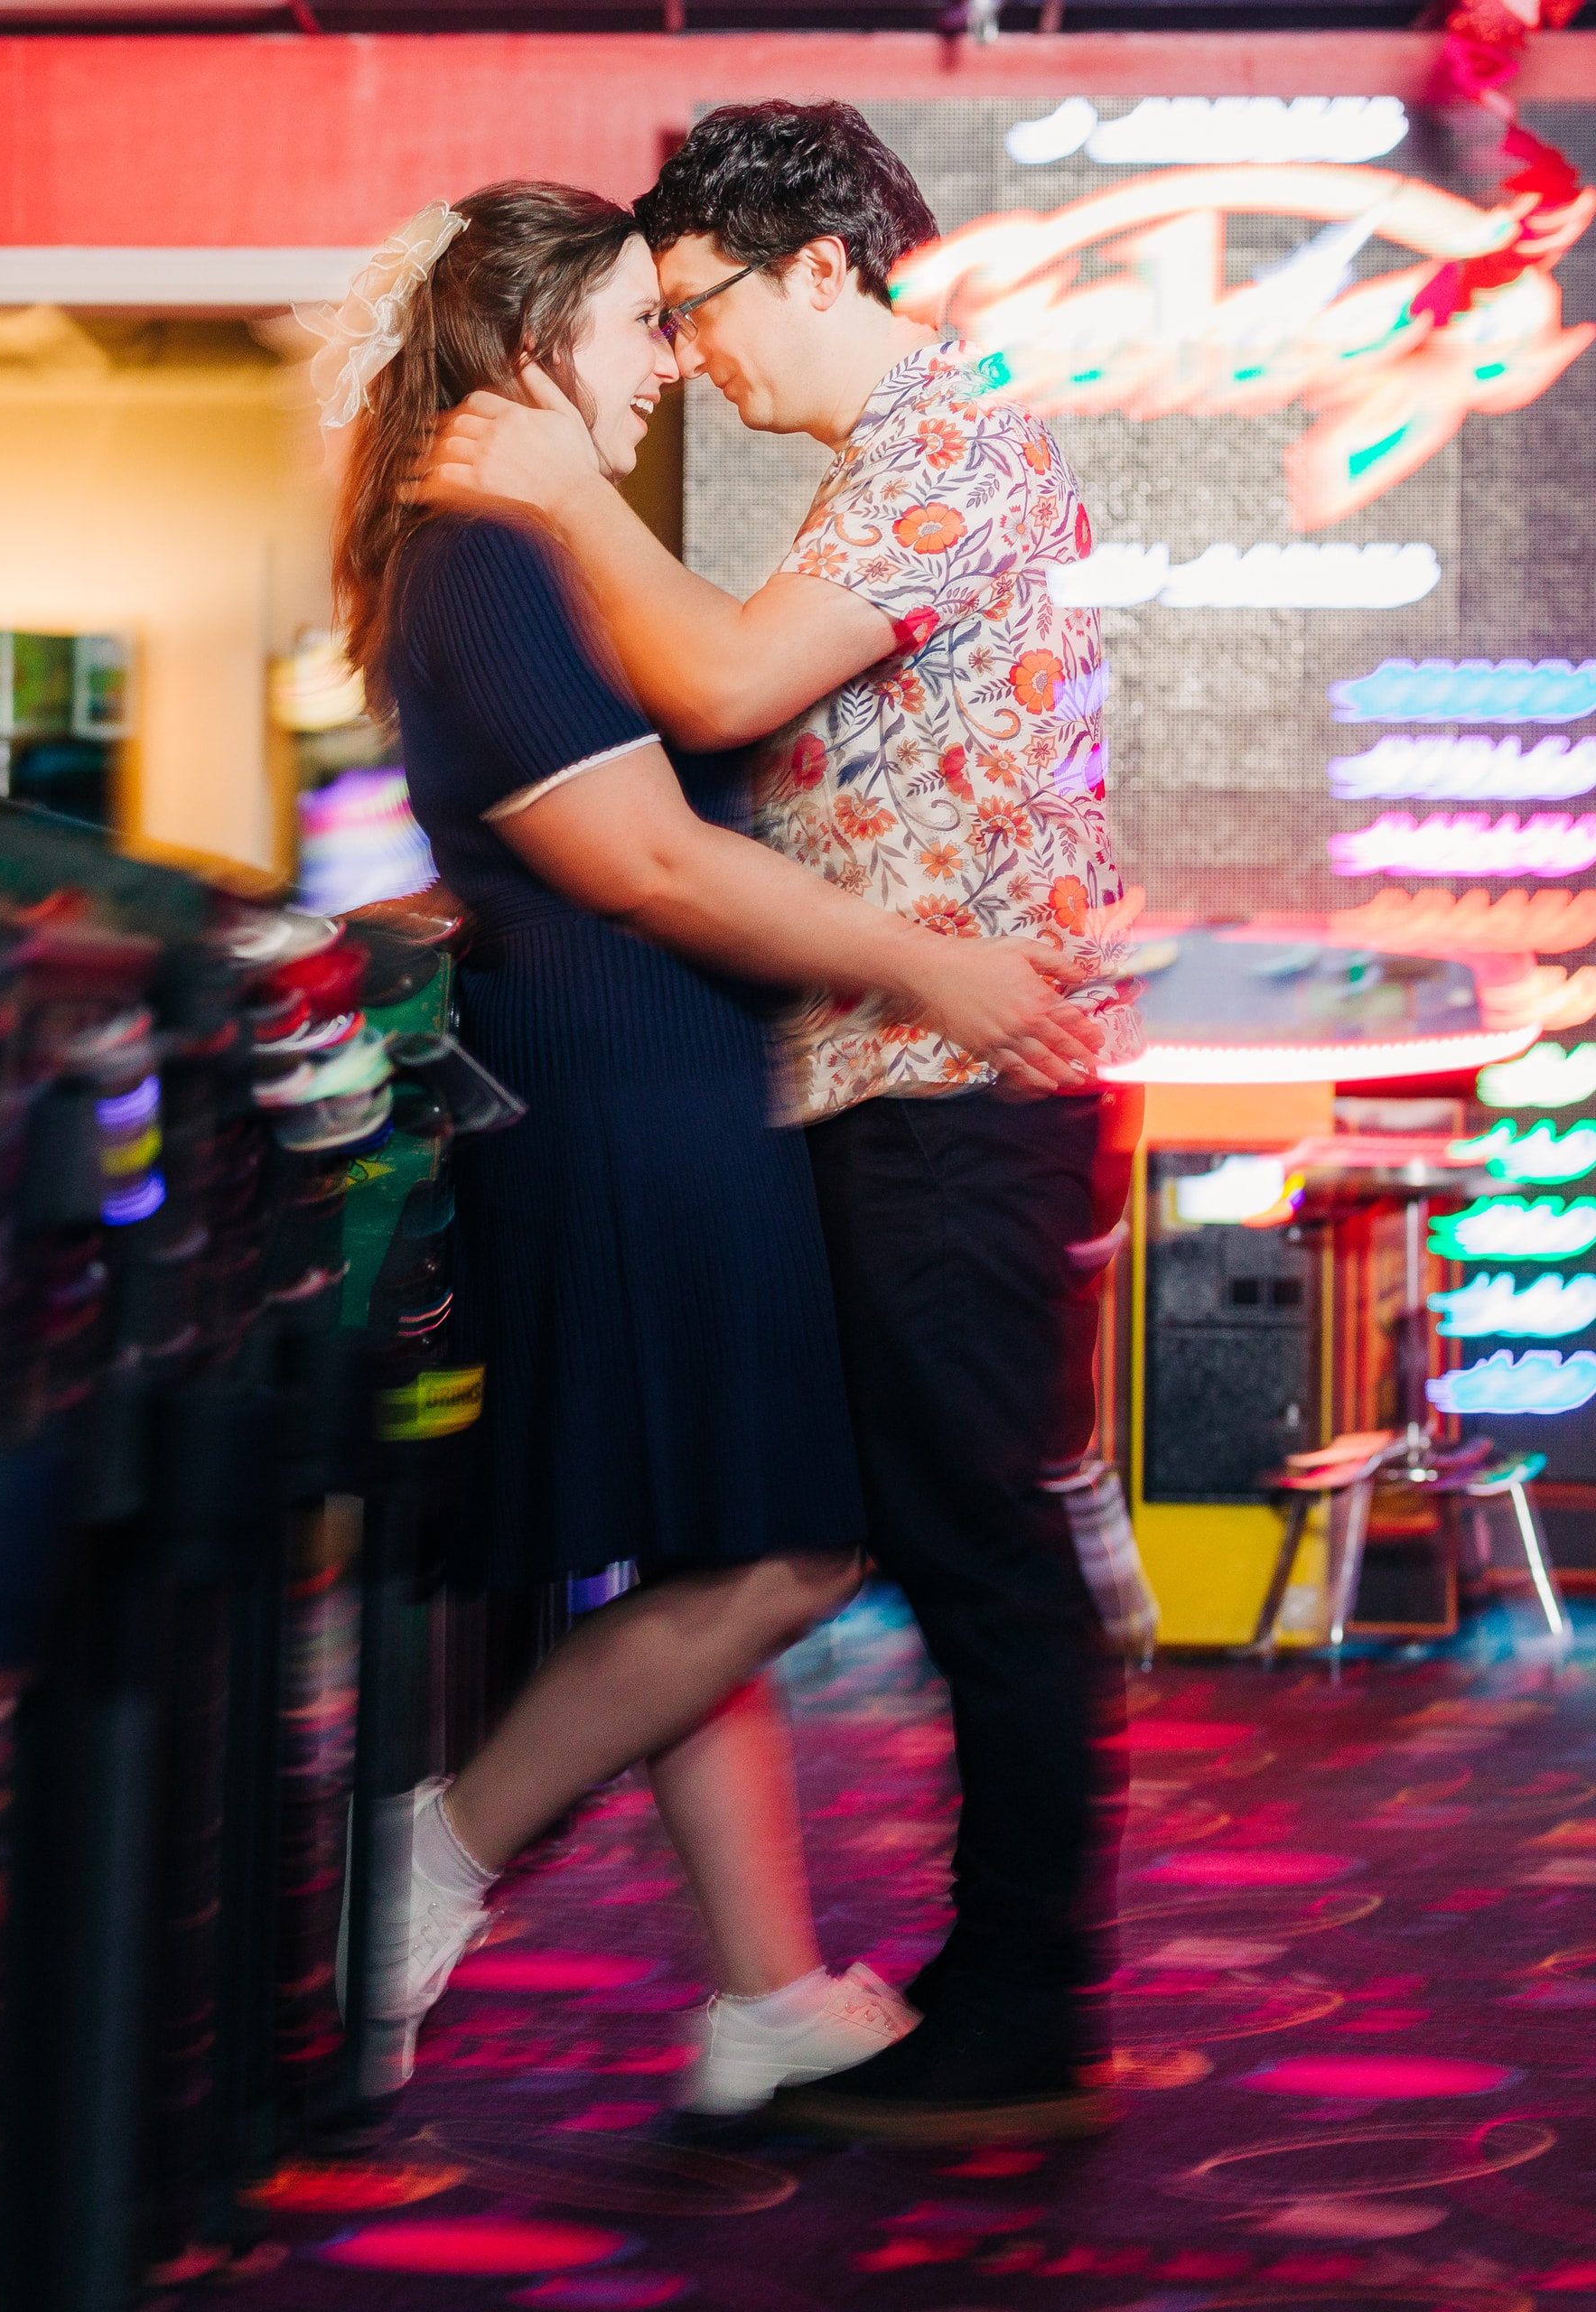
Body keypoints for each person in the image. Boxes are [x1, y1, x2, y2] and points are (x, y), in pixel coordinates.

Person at [321, 181, 1103, 2118]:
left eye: (682, 318)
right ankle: (441, 1844)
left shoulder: (541, 544)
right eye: (635, 323)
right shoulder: (486, 553)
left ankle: (761, 1989)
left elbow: (710, 735)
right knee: (781, 1544)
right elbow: (651, 857)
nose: (668, 362)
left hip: (666, 1069)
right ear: (534, 344)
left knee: (714, 1543)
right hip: (629, 1077)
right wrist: (940, 962)